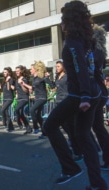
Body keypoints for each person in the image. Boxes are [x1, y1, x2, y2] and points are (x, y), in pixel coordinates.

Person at [43, 1, 107, 189]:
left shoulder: (72, 41)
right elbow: (92, 68)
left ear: (69, 20)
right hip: (92, 93)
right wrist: (97, 92)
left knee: (49, 126)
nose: (61, 21)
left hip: (80, 95)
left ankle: (70, 168)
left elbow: (80, 68)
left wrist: (86, 96)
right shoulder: (87, 39)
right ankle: (97, 183)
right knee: (84, 136)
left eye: (63, 18)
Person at [91, 24, 109, 172]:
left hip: (97, 92)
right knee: (97, 127)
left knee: (95, 127)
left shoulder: (95, 52)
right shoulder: (99, 51)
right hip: (99, 92)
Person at [20, 61, 47, 136]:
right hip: (37, 98)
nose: (30, 70)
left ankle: (36, 127)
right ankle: (44, 132)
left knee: (32, 110)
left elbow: (49, 84)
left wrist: (47, 76)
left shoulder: (41, 77)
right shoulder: (34, 79)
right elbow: (32, 88)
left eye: (31, 69)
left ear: (35, 69)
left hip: (42, 97)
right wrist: (25, 85)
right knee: (38, 115)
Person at [14, 65, 31, 131]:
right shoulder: (16, 80)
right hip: (19, 98)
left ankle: (19, 123)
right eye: (16, 71)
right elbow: (17, 90)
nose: (17, 72)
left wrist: (21, 84)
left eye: (18, 71)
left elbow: (26, 90)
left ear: (21, 71)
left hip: (24, 98)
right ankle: (28, 128)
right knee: (21, 113)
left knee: (16, 110)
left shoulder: (24, 79)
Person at [2, 67, 15, 132]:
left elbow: (8, 88)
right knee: (5, 111)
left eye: (5, 72)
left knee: (3, 110)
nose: (4, 73)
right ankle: (11, 127)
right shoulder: (5, 79)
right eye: (3, 72)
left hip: (9, 98)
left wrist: (7, 81)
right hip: (5, 98)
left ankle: (7, 125)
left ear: (8, 73)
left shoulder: (10, 79)